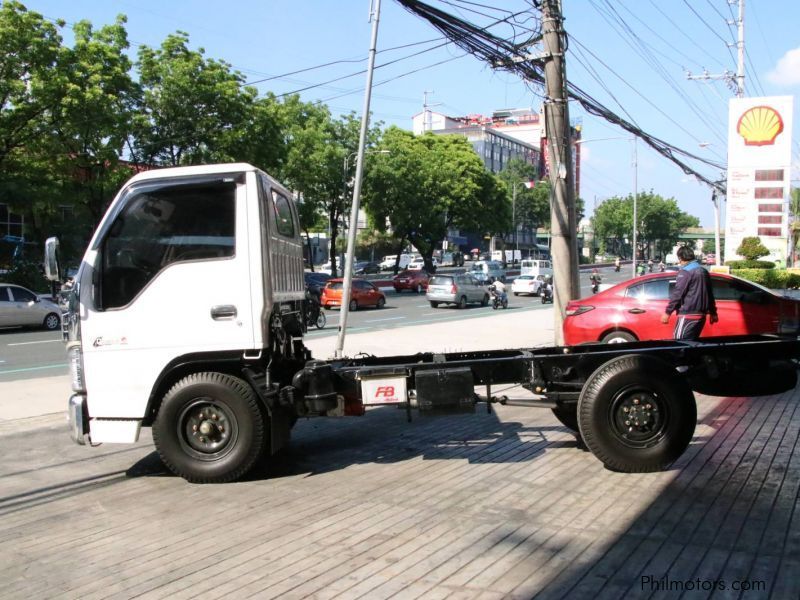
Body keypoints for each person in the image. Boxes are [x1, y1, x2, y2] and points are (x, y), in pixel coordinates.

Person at [661, 245, 718, 340]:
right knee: (691, 345)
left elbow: (677, 294)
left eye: (679, 259)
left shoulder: (685, 272)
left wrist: (667, 312)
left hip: (687, 315)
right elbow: (710, 294)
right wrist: (713, 312)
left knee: (679, 345)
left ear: (680, 258)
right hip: (701, 316)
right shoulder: (704, 271)